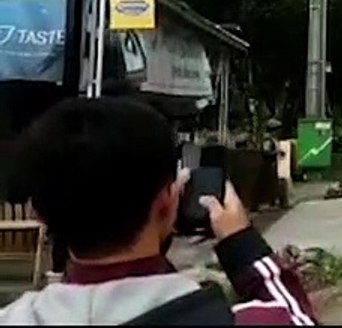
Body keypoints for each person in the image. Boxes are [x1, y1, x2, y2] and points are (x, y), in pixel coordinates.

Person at [0, 96, 316, 325]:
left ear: (39, 213)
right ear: (168, 199)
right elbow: (296, 318)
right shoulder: (239, 320)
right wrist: (242, 245)